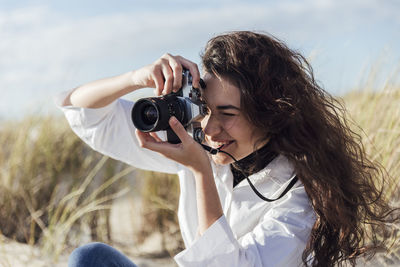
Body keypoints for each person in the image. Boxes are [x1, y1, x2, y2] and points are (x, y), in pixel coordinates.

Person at [57, 31, 398, 267]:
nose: (210, 126)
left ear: (269, 114)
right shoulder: (199, 147)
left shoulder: (300, 195)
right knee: (90, 258)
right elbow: (84, 114)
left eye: (228, 113)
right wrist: (136, 78)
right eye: (206, 108)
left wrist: (201, 174)